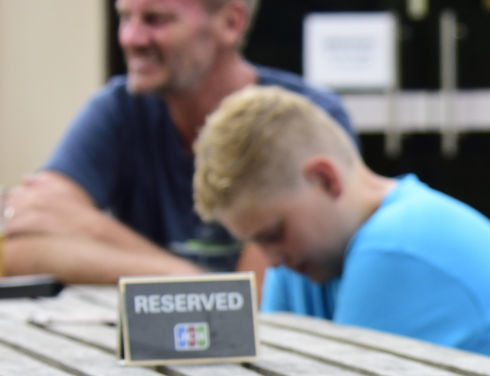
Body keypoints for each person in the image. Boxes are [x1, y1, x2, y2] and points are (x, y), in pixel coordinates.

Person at [193, 86, 490, 376]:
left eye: (274, 233)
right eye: (255, 241)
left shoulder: (398, 247)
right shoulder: (307, 259)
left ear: (325, 179)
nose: (271, 258)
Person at [1, 0, 353, 285]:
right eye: (125, 16)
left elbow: (258, 302)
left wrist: (88, 228)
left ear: (231, 23)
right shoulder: (118, 110)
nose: (130, 38)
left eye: (155, 19)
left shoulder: (301, 120)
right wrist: (196, 283)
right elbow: (18, 248)